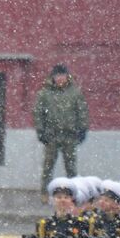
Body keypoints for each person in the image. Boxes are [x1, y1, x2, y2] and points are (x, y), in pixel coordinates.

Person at [32, 64, 89, 193]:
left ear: (67, 77)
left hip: (70, 135)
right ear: (52, 77)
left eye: (62, 76)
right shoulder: (45, 93)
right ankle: (44, 193)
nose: (60, 79)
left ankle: (74, 192)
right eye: (57, 76)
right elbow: (38, 113)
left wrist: (83, 129)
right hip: (51, 135)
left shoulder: (75, 93)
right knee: (48, 166)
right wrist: (40, 131)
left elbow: (82, 111)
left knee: (71, 167)